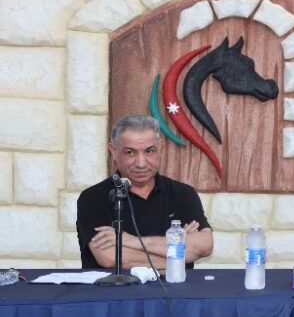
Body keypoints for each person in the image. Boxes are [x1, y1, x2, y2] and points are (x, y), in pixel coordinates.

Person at [76, 115, 213, 269]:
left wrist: (130, 241)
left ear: (160, 148)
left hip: (175, 284)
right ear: (113, 151)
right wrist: (179, 251)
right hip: (114, 285)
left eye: (149, 151)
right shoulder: (93, 198)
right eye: (130, 152)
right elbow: (111, 258)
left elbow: (204, 246)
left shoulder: (183, 194)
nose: (141, 163)